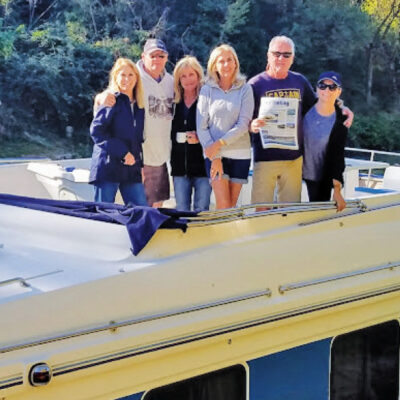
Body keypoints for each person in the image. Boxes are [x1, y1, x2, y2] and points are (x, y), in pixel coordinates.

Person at [248, 35, 353, 205]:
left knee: (290, 211)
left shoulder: (300, 81)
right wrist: (252, 125)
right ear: (268, 55)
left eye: (286, 55)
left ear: (292, 59)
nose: (281, 58)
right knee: (261, 210)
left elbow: (320, 104)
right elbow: (245, 120)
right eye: (276, 54)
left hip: (293, 160)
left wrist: (342, 109)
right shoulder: (254, 84)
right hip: (265, 158)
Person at [95, 38, 174, 207]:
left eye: (161, 56)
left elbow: (137, 135)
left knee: (145, 209)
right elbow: (97, 131)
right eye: (153, 55)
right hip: (113, 163)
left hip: (141, 162)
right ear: (143, 56)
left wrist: (137, 162)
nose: (127, 79)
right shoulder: (116, 96)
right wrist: (100, 97)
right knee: (103, 211)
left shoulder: (143, 101)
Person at [197, 44, 254, 209]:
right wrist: (215, 155)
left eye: (230, 60)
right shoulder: (207, 90)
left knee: (231, 207)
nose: (226, 64)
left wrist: (219, 143)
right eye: (221, 61)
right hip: (215, 154)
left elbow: (244, 124)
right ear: (214, 65)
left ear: (235, 63)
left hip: (240, 155)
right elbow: (201, 126)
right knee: (223, 205)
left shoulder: (245, 89)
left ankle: (232, 235)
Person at [89, 57, 148, 206]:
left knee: (141, 210)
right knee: (104, 214)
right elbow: (97, 131)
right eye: (122, 75)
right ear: (115, 77)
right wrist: (123, 152)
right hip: (107, 166)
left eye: (130, 75)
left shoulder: (139, 106)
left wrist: (139, 166)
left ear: (136, 78)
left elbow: (137, 139)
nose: (126, 79)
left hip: (131, 168)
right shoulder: (111, 100)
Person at [170, 56, 212, 212]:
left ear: (198, 75)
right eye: (183, 76)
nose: (188, 80)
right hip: (179, 167)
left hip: (203, 166)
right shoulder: (173, 102)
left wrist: (200, 138)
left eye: (191, 74)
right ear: (178, 79)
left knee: (202, 209)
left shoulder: (207, 99)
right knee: (181, 209)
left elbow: (216, 129)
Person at [303, 71, 347, 211]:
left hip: (320, 180)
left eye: (332, 87)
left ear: (338, 91)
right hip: (294, 175)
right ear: (316, 89)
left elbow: (337, 157)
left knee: (316, 220)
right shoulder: (304, 107)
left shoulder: (341, 123)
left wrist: (337, 190)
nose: (326, 90)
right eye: (322, 86)